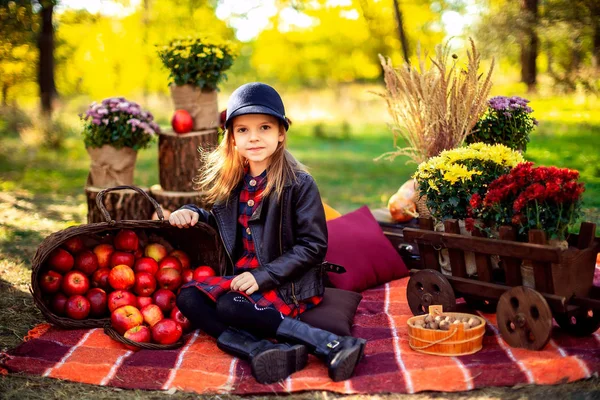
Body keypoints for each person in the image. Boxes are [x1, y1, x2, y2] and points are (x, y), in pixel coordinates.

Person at [169, 82, 366, 384]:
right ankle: (259, 350)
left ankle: (331, 343)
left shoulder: (298, 184)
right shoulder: (233, 183)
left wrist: (263, 276)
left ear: (281, 133)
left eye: (264, 127)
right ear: (232, 139)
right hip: (244, 282)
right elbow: (223, 224)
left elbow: (313, 246)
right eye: (243, 130)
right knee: (188, 298)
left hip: (287, 282)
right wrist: (194, 213)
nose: (254, 137)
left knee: (227, 305)